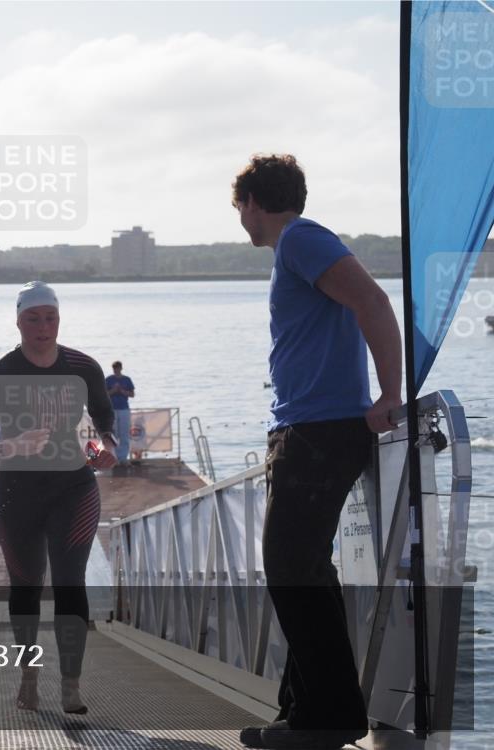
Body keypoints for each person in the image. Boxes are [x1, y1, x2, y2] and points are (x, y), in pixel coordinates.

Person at [231, 155, 402, 750]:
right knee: (303, 568)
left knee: (290, 568)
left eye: (240, 209)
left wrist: (389, 393)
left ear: (252, 201)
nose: (241, 221)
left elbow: (373, 303)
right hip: (307, 429)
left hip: (321, 431)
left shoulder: (302, 239)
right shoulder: (298, 247)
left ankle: (328, 718)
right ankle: (304, 712)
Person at [0, 280, 118, 715]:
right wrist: (14, 446)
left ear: (58, 320)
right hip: (18, 494)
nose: (42, 326)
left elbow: (95, 424)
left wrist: (103, 450)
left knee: (70, 583)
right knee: (27, 587)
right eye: (33, 318)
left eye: (50, 317)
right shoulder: (0, 376)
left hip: (74, 488)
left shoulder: (83, 367)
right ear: (18, 322)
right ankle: (29, 675)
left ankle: (71, 685)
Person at [104, 361, 135, 466]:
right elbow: (104, 394)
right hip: (112, 409)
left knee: (124, 434)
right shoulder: (108, 380)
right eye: (114, 368)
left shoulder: (126, 380)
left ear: (121, 368)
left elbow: (132, 394)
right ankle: (114, 457)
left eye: (117, 368)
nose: (116, 370)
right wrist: (113, 390)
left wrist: (121, 390)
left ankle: (123, 458)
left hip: (123, 409)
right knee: (114, 434)